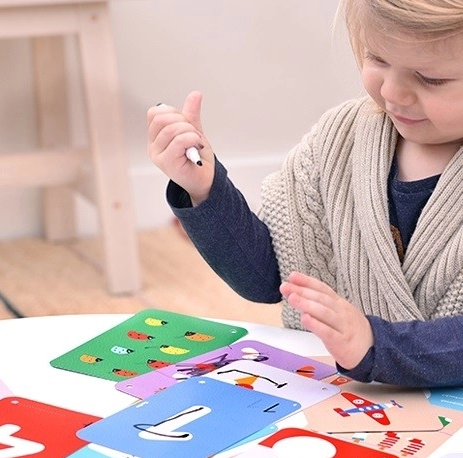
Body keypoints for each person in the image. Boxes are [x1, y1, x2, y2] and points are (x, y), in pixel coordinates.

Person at [147, 0, 463, 389]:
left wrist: (374, 344)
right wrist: (204, 190)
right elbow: (267, 279)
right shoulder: (336, 143)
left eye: (430, 78)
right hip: (337, 391)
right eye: (377, 58)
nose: (393, 91)